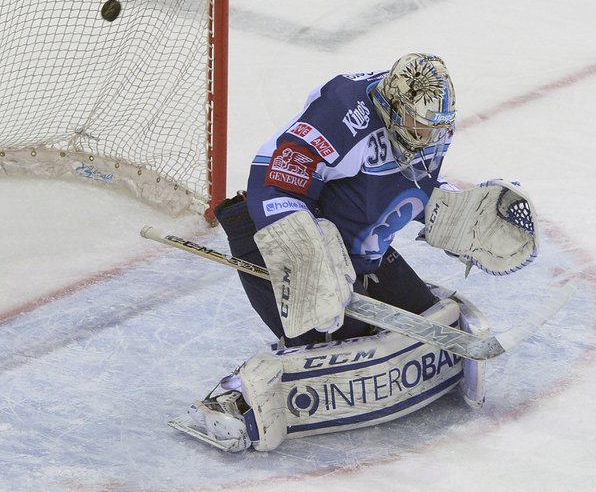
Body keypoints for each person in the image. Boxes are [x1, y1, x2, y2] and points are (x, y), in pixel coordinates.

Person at [170, 53, 502, 452]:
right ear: (392, 108)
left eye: (438, 126)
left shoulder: (428, 125)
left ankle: (345, 285)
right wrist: (305, 256)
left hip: (352, 245)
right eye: (419, 126)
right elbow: (273, 178)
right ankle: (230, 400)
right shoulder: (344, 112)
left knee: (421, 319)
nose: (431, 136)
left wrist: (455, 214)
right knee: (326, 333)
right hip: (273, 234)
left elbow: (402, 186)